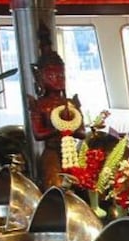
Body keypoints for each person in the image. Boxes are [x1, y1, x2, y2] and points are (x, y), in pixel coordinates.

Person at [27, 25, 83, 189]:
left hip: (71, 151)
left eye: (61, 75)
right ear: (41, 77)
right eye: (52, 75)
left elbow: (82, 133)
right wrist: (61, 128)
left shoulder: (70, 103)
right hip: (51, 151)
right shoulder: (40, 105)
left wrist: (71, 128)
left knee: (81, 184)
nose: (58, 79)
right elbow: (38, 134)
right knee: (56, 185)